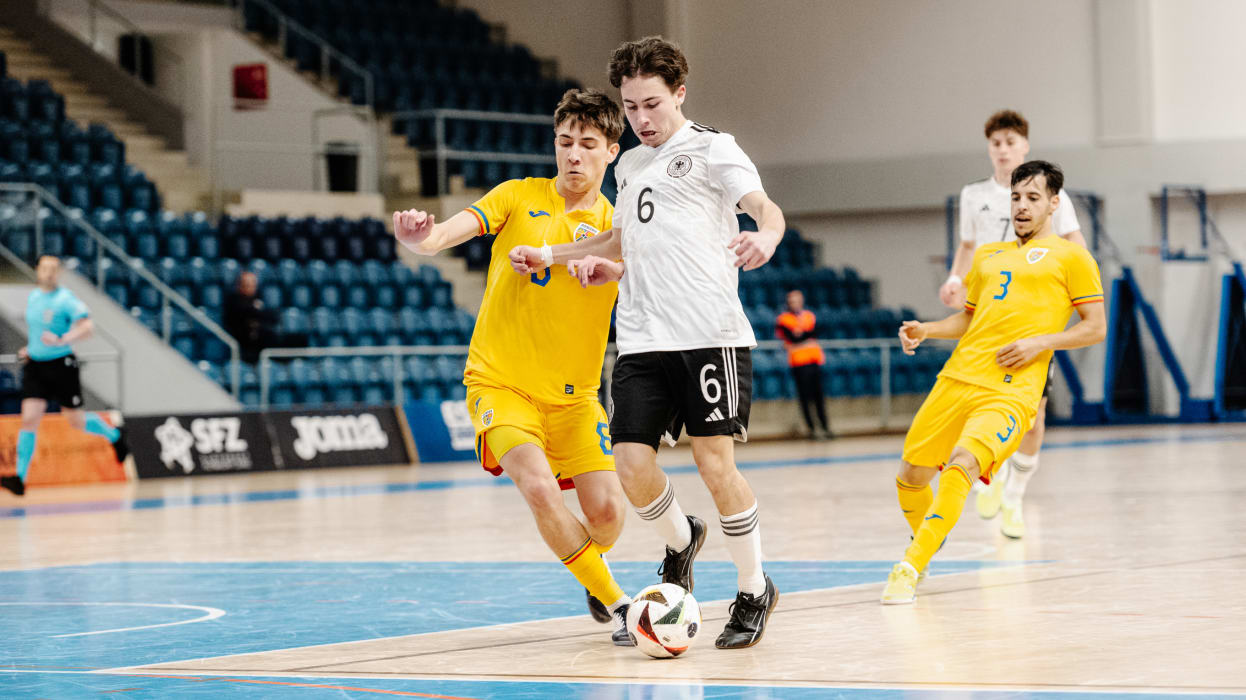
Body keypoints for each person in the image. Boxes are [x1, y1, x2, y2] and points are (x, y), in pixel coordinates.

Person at [509, 36, 786, 648]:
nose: (641, 119)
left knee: (716, 465)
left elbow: (764, 208)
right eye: (631, 107)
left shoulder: (715, 149)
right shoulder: (630, 166)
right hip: (640, 341)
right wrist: (552, 255)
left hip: (710, 337)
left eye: (651, 105)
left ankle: (752, 588)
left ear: (679, 94)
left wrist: (765, 236)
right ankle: (681, 541)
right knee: (632, 465)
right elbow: (617, 244)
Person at [390, 89, 634, 645]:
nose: (574, 154)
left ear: (611, 152)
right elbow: (443, 236)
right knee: (541, 490)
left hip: (575, 398)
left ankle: (590, 573)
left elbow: (646, 282)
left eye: (588, 144)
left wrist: (613, 271)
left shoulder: (620, 228)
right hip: (500, 382)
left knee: (607, 515)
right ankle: (621, 605)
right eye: (565, 142)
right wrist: (419, 239)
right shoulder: (518, 197)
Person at [882, 161, 1105, 604]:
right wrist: (926, 329)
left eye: (1033, 198)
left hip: (1012, 390)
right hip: (959, 377)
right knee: (910, 476)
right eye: (1017, 197)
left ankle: (910, 565)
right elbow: (968, 320)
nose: (1022, 206)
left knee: (963, 466)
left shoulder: (1073, 256)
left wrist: (1041, 343)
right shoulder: (988, 255)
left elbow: (1095, 326)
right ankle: (932, 536)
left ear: (1054, 204)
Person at [939, 110, 1088, 538]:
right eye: (996, 143)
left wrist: (1076, 281)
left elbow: (1075, 243)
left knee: (1033, 411)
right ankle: (992, 471)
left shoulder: (1052, 195)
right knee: (982, 401)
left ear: (1024, 145)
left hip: (1034, 312)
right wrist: (955, 279)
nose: (1003, 150)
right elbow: (968, 246)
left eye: (1010, 142)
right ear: (989, 148)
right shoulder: (974, 195)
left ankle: (1015, 493)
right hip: (988, 314)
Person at [2, 256, 129, 496]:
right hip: (35, 366)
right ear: (38, 271)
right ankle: (20, 478)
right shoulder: (34, 297)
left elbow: (87, 328)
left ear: (58, 273)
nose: (48, 273)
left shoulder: (66, 299)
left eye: (53, 269)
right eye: (44, 268)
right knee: (29, 419)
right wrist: (30, 349)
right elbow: (38, 331)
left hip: (61, 365)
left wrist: (63, 339)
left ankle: (114, 435)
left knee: (75, 421)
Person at [776, 289, 830, 440]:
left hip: (814, 360)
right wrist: (803, 339)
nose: (795, 303)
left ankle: (825, 427)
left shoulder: (809, 316)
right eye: (792, 301)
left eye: (797, 300)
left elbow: (814, 333)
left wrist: (801, 338)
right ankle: (812, 429)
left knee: (819, 396)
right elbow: (792, 339)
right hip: (799, 363)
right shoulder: (784, 319)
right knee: (805, 398)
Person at [223, 271, 277, 365]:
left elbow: (272, 317)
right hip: (242, 344)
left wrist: (257, 313)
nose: (251, 287)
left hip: (260, 343)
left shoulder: (259, 298)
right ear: (240, 285)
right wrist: (256, 311)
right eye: (247, 284)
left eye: (253, 284)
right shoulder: (233, 300)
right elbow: (245, 312)